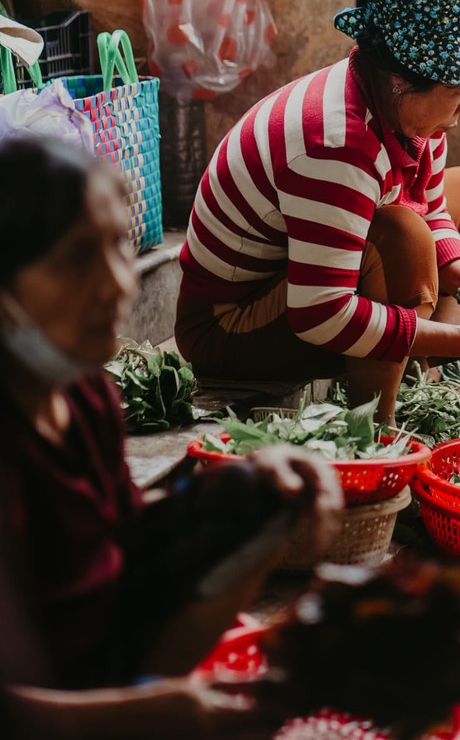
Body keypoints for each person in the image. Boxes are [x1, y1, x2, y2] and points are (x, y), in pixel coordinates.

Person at [0, 137, 343, 738]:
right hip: (30, 703)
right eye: (78, 259)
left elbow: (122, 534)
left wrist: (261, 473)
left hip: (92, 654)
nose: (116, 284)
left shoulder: (86, 396)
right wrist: (152, 716)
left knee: (259, 500)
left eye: (115, 247)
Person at [177, 0, 460, 419]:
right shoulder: (334, 146)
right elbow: (322, 314)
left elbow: (435, 211)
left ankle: (421, 372)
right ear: (403, 79)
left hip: (299, 279)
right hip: (227, 326)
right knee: (403, 238)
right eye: (457, 86)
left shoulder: (400, 111)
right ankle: (378, 430)